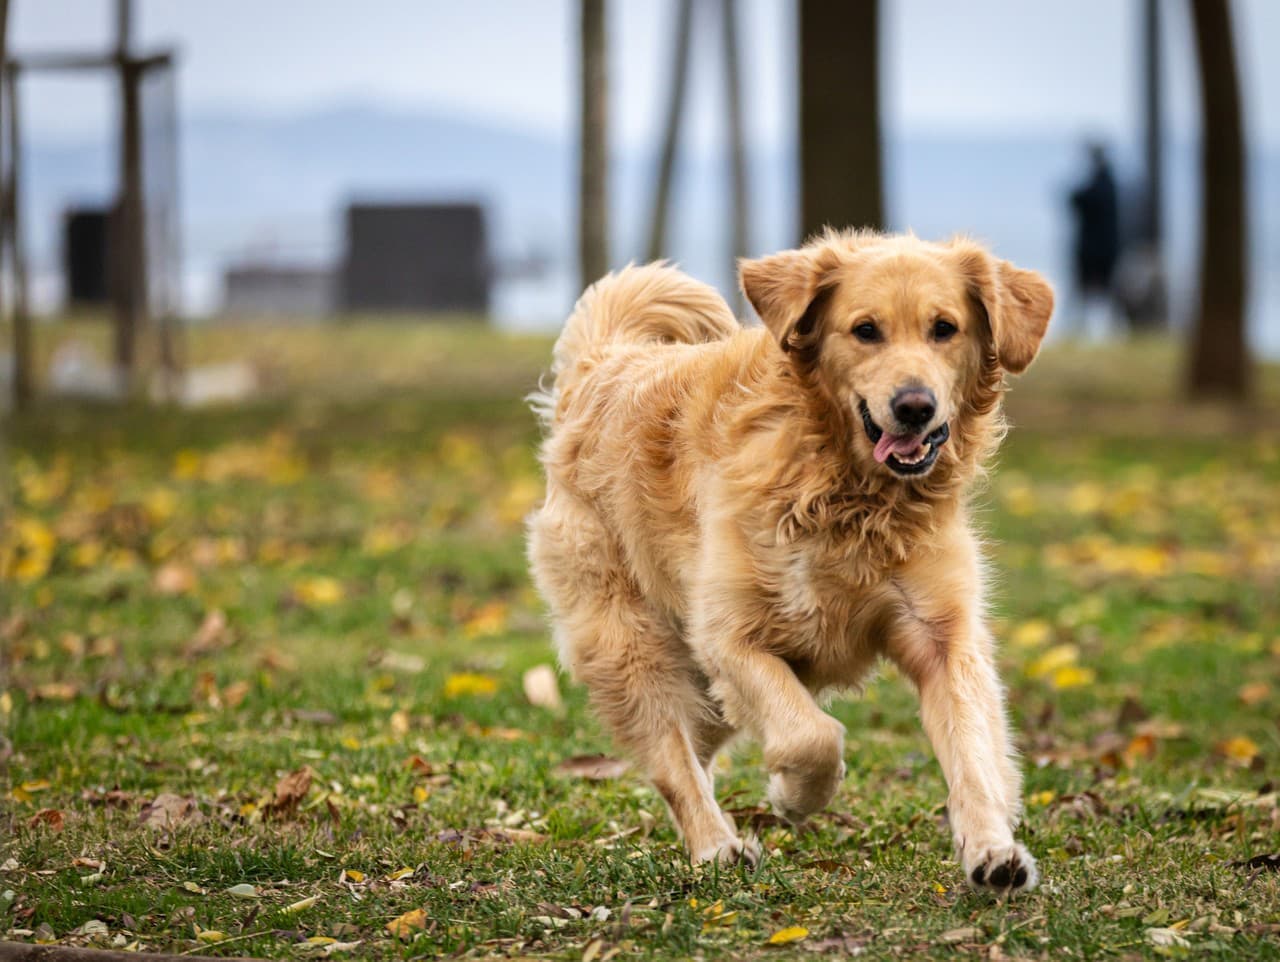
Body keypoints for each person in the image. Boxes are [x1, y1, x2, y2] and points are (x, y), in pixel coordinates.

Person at [1068, 143, 1120, 338]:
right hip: (1104, 248)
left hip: (1095, 249)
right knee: (1100, 290)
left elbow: (1077, 199)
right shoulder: (1108, 183)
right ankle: (1086, 328)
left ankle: (1103, 329)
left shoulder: (1102, 184)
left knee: (1092, 290)